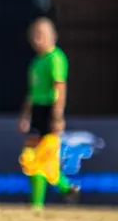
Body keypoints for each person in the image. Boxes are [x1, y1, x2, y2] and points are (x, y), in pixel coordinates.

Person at [18, 16, 76, 208]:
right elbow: (32, 93)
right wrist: (25, 115)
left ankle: (38, 203)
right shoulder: (35, 63)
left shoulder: (56, 58)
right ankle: (66, 189)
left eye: (41, 35)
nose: (37, 39)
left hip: (49, 113)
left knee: (42, 159)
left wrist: (57, 115)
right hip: (37, 113)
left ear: (53, 36)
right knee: (30, 158)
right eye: (34, 35)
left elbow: (60, 87)